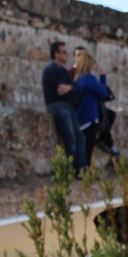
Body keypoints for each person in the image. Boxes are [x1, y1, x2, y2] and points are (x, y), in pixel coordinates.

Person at [42, 40, 87, 173]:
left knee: (79, 137)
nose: (67, 54)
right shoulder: (51, 70)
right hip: (57, 106)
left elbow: (72, 88)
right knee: (70, 137)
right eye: (64, 52)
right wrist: (68, 88)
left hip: (67, 107)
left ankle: (81, 168)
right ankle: (72, 169)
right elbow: (60, 90)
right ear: (56, 54)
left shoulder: (62, 71)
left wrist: (69, 87)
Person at [72, 51, 113, 165]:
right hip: (89, 116)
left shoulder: (79, 78)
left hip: (80, 116)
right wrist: (103, 77)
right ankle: (84, 170)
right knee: (88, 146)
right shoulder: (89, 78)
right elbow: (103, 92)